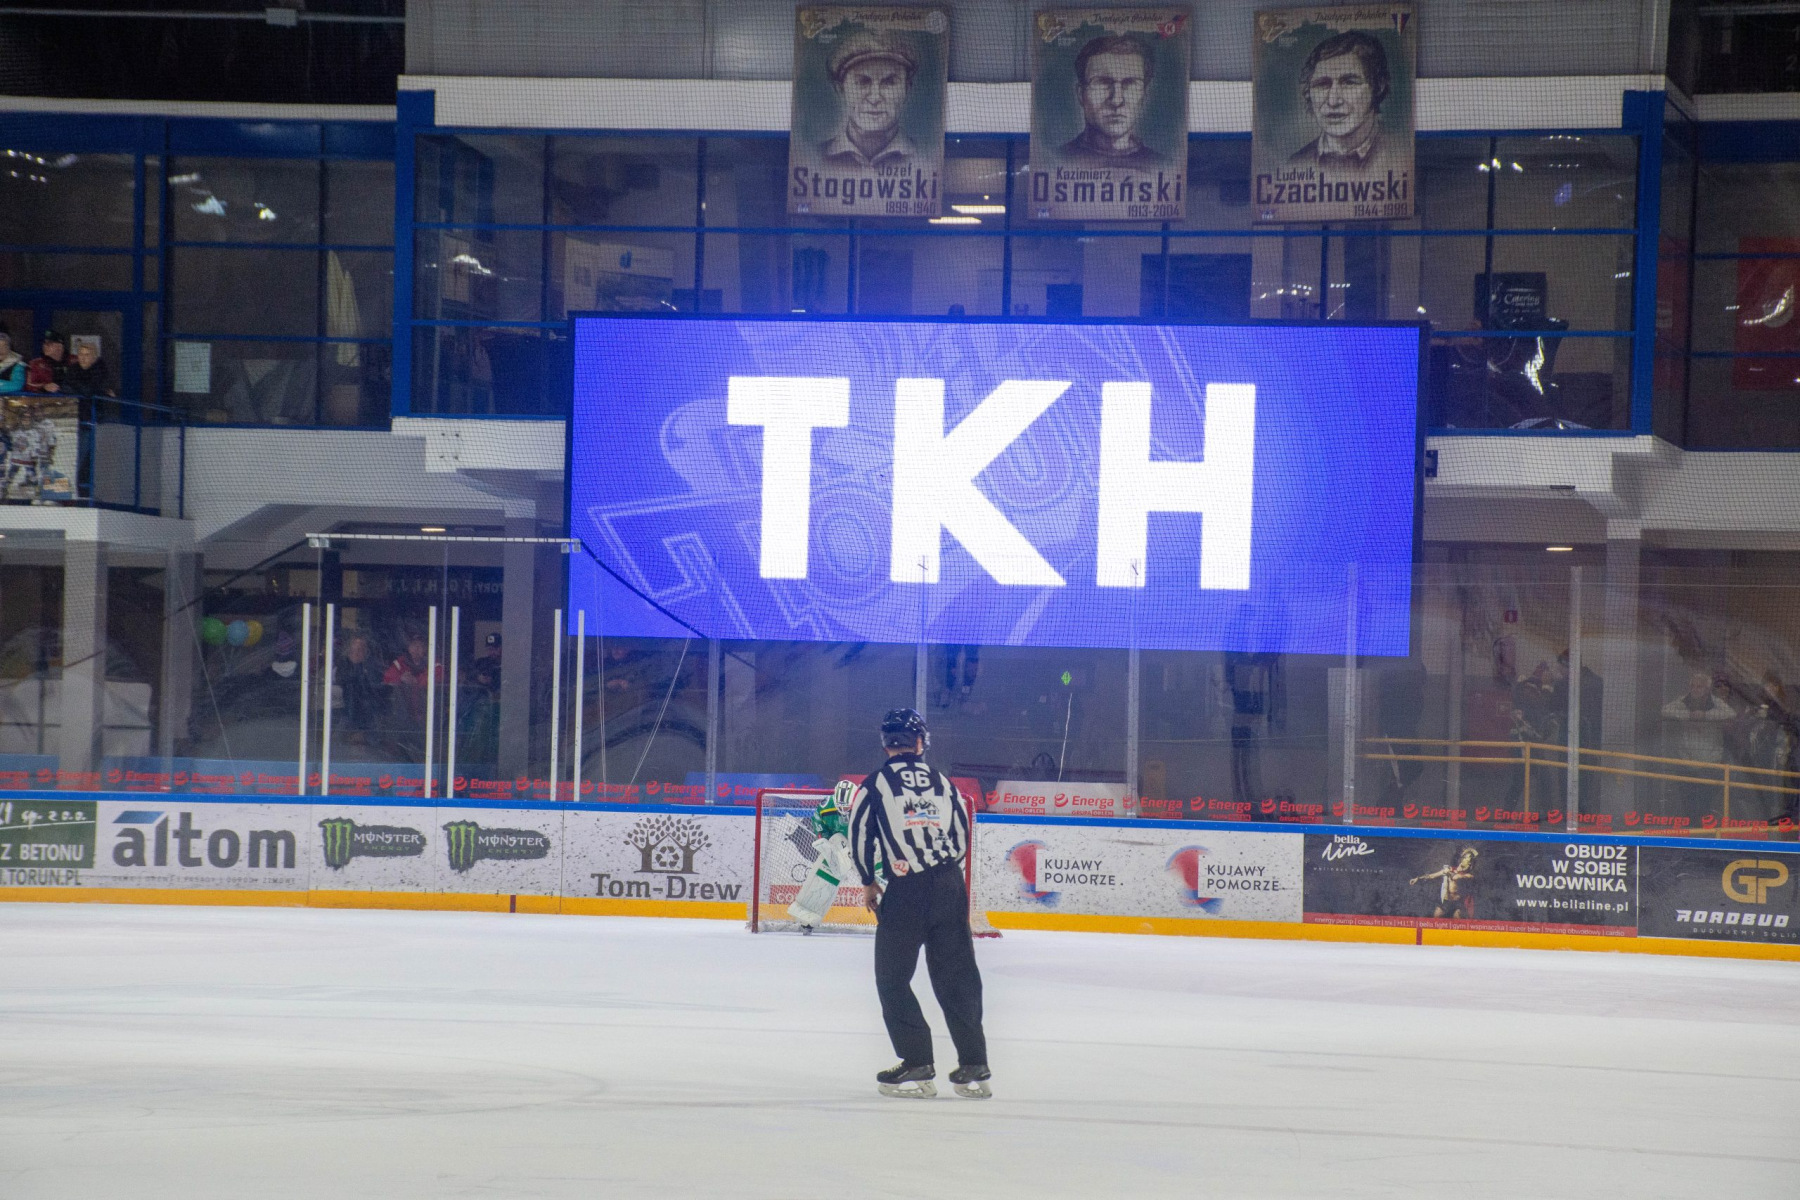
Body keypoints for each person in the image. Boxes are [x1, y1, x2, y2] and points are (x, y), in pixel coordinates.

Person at [850, 708, 990, 1100]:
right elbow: (961, 836)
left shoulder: (874, 784)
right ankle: (973, 1062)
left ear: (886, 744)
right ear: (919, 742)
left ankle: (917, 1060)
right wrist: (942, 872)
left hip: (906, 891)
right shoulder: (944, 782)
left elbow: (859, 834)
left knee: (892, 978)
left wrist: (868, 880)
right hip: (949, 886)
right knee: (958, 977)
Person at [1286, 30, 1405, 179]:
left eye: (1349, 83)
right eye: (1322, 84)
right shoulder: (1296, 163)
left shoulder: (1401, 155)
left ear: (1378, 87)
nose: (1333, 101)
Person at [1058, 35, 1167, 168]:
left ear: (1143, 95)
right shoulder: (1056, 160)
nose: (1116, 101)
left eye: (1130, 83)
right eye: (1102, 82)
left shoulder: (1162, 165)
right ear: (1081, 94)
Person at [818, 31, 919, 169]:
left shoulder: (923, 155)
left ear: (907, 89)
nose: (875, 98)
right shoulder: (816, 156)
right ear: (840, 89)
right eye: (862, 82)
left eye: (889, 82)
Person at [1661, 671, 1734, 817]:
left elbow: (1731, 713)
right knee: (1688, 805)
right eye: (1693, 686)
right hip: (1686, 762)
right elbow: (1665, 711)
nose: (1695, 689)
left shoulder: (1716, 703)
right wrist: (1688, 716)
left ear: (1707, 689)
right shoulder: (1683, 701)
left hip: (1710, 764)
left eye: (1699, 686)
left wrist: (1705, 716)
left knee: (1704, 805)